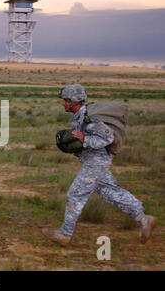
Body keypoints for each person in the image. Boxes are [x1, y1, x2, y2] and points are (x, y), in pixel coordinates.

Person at [42, 83, 156, 246]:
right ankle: (144, 219)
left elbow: (107, 137)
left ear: (74, 101)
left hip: (96, 162)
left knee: (75, 195)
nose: (63, 103)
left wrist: (84, 139)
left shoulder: (89, 118)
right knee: (110, 192)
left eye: (65, 100)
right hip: (94, 161)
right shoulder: (79, 117)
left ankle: (65, 234)